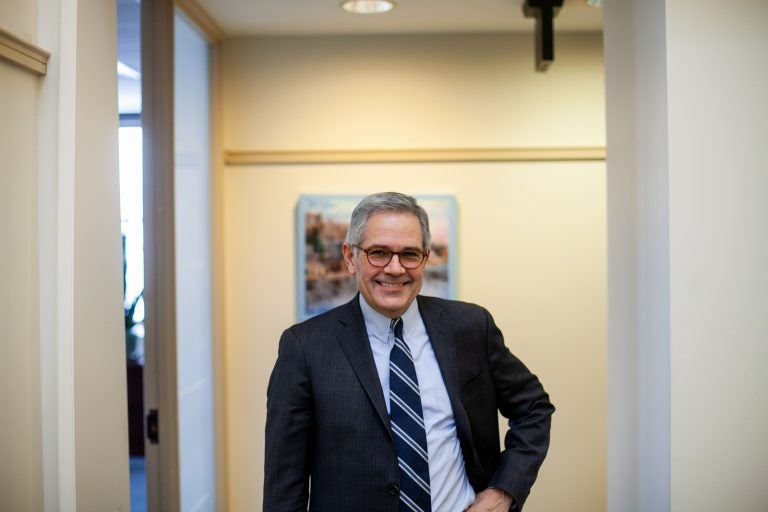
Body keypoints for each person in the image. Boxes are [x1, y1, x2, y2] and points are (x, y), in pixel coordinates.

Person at [264, 192, 554, 512]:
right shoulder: (306, 347)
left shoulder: (471, 327)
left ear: (425, 259)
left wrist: (504, 491)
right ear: (350, 256)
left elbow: (534, 408)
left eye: (409, 254)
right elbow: (284, 485)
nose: (394, 268)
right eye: (378, 252)